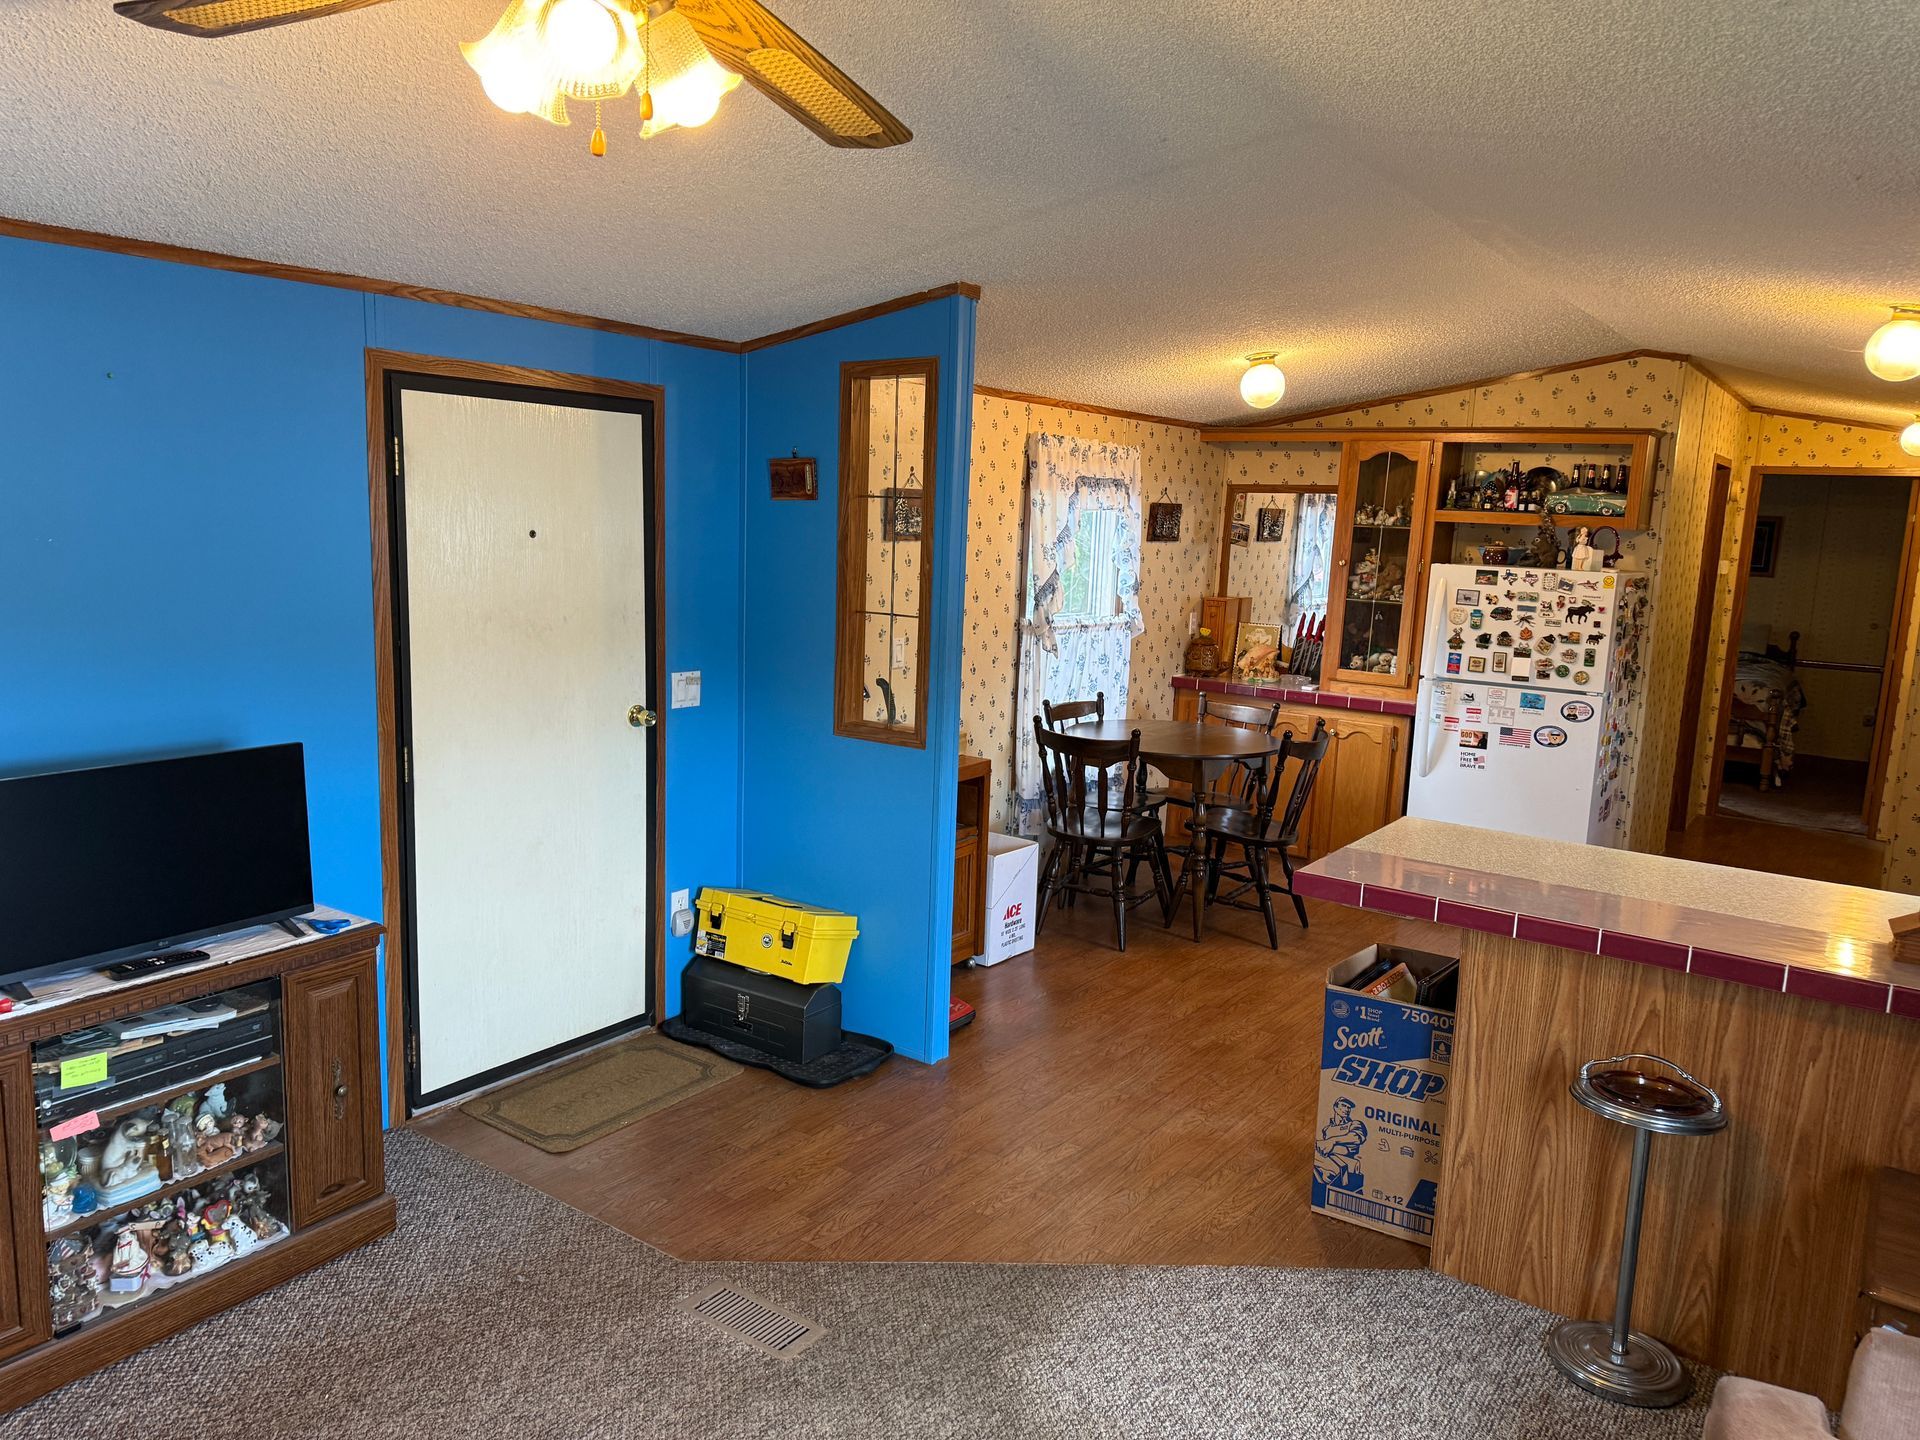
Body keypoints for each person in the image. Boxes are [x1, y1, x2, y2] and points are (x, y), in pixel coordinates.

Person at [1313, 1097, 1367, 1192]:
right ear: (1335, 1108)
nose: (1347, 1109)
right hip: (1328, 1168)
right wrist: (1323, 1171)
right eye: (1344, 1105)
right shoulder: (1327, 1129)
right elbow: (1324, 1150)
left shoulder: (1354, 1124)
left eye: (1349, 1107)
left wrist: (1333, 1141)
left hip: (1349, 1170)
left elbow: (1356, 1137)